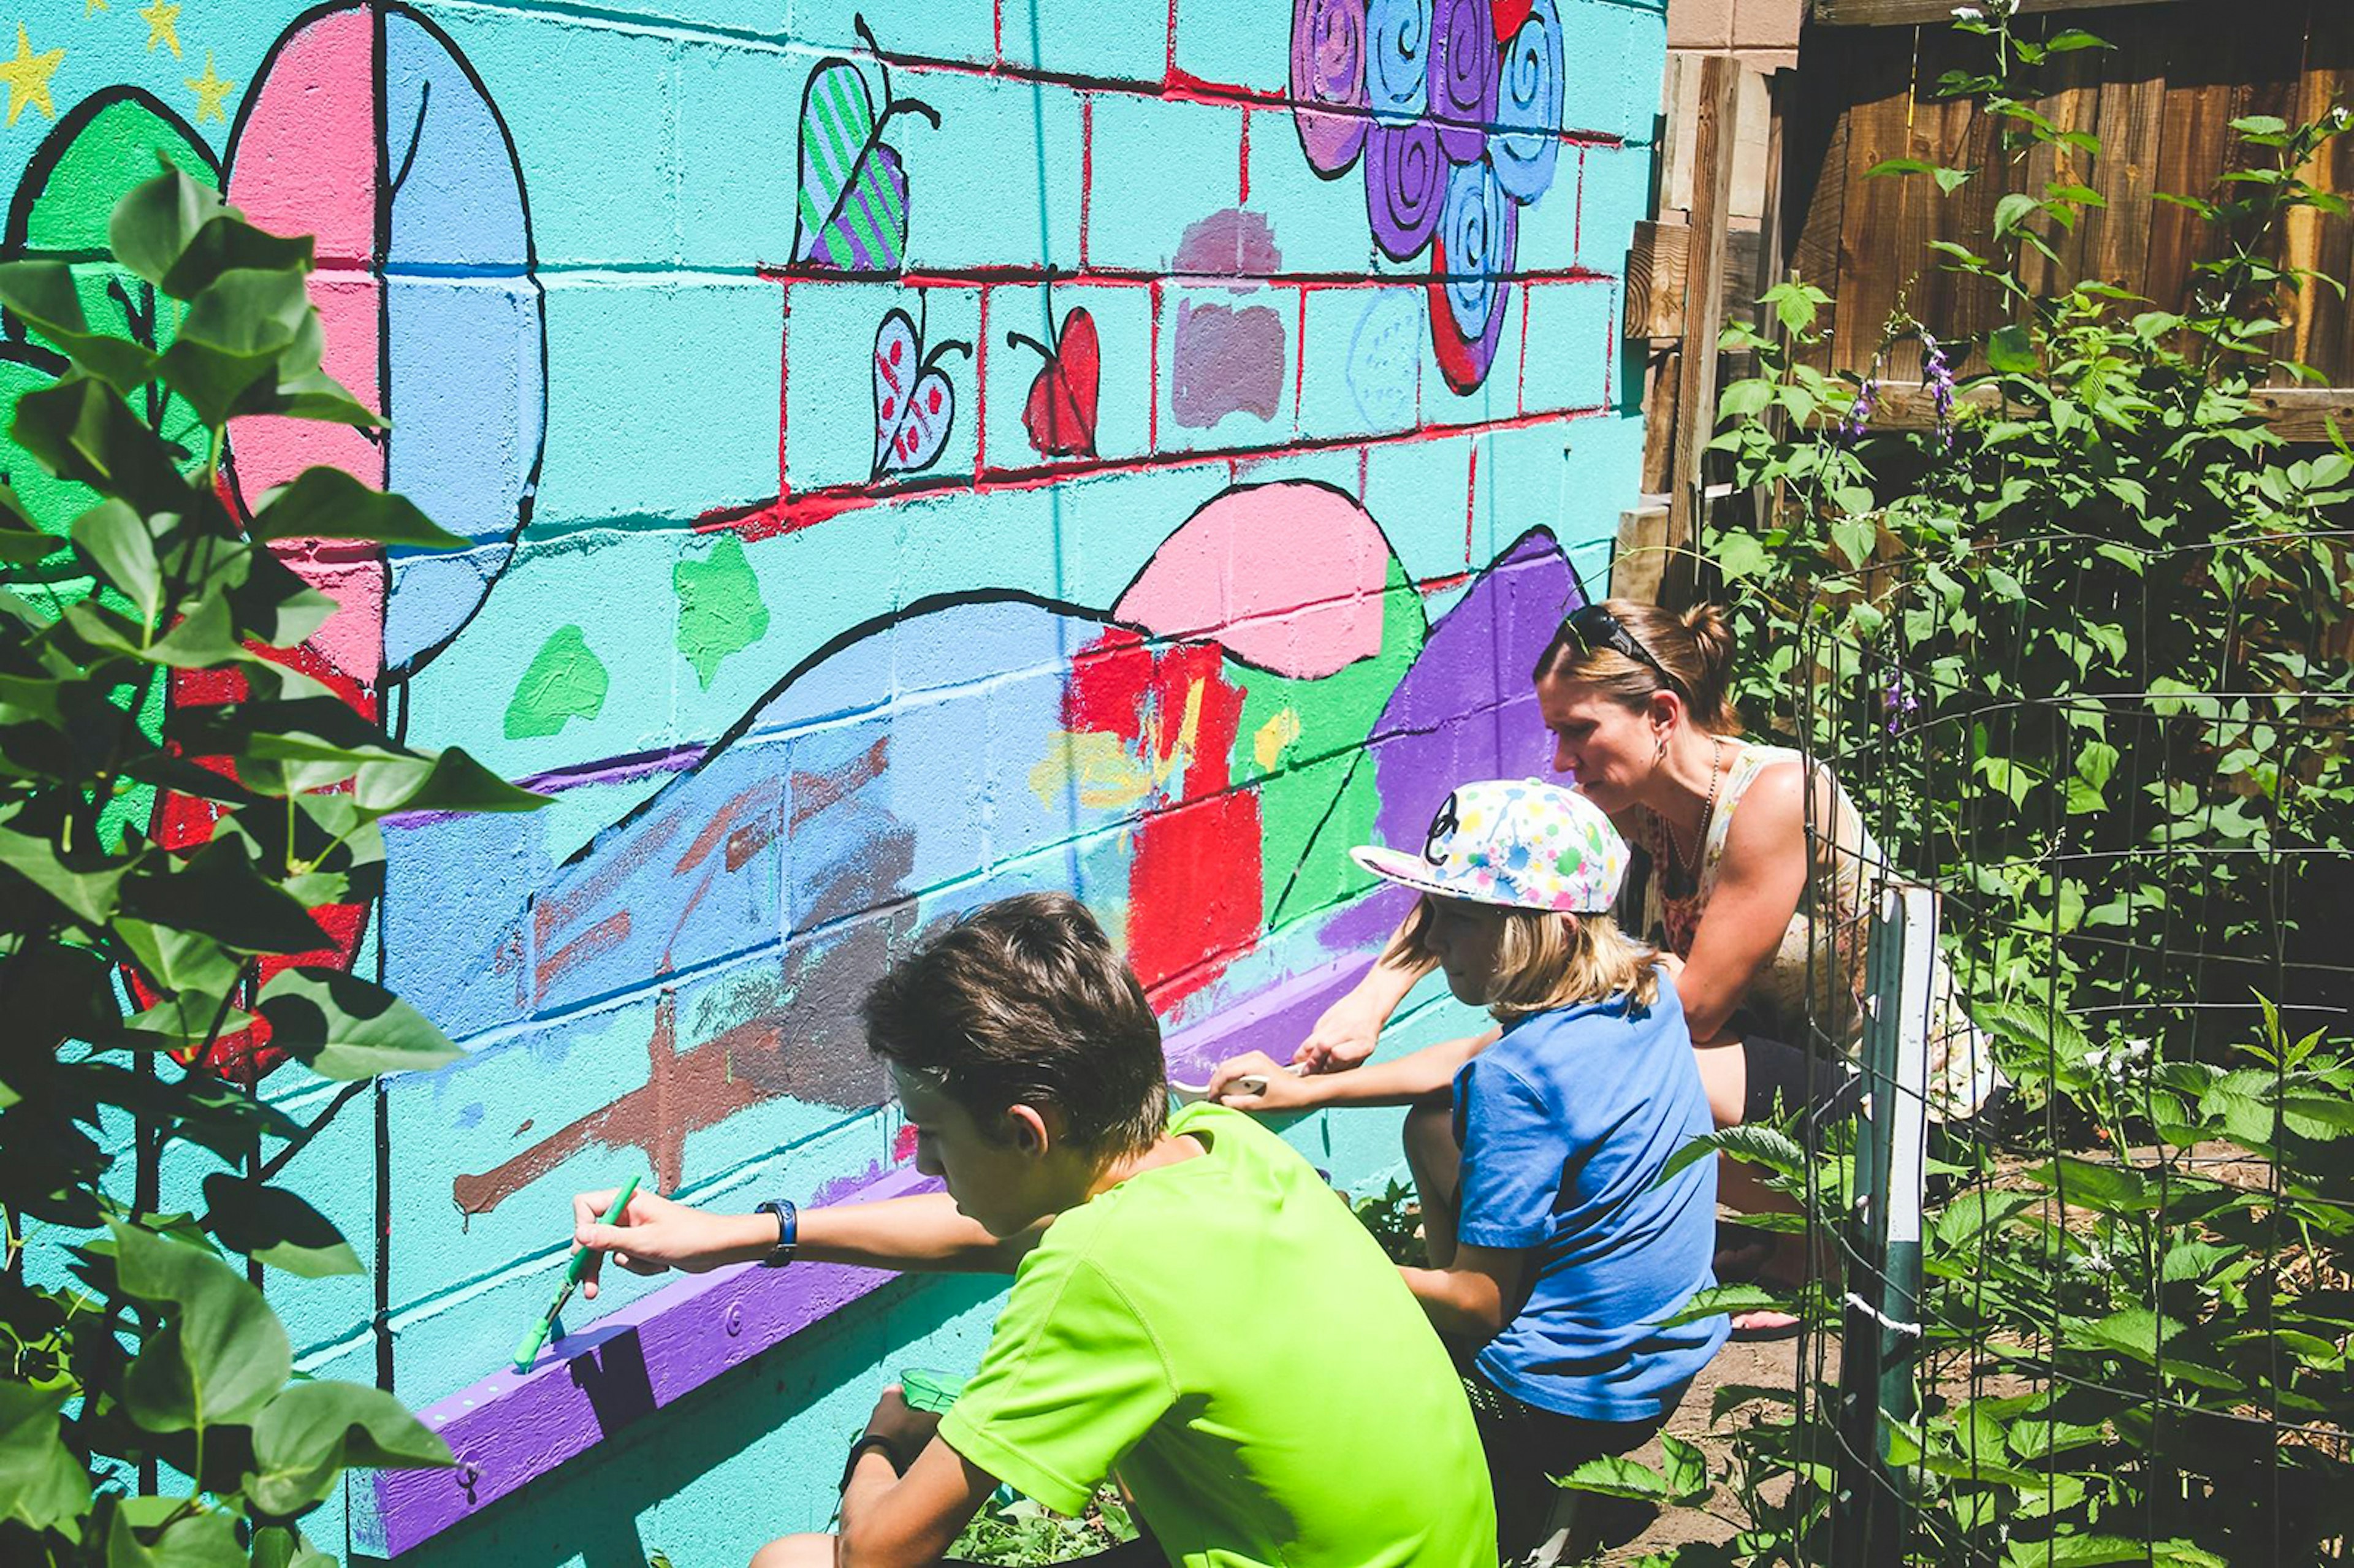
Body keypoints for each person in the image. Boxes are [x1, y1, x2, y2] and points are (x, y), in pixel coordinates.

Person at [566, 892, 1498, 1568]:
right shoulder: (1223, 1150)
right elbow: (997, 1234)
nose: (924, 1162)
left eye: (931, 1133)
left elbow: (877, 1554)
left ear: (1026, 1131)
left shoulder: (1097, 1267)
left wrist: (884, 1441)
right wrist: (743, 1232)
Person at [1290, 600, 2006, 1336]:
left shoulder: (1779, 796)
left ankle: (1817, 1254)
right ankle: (1751, 1241)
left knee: (1633, 1055)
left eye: (1579, 730)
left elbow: (1685, 1017)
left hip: (1916, 1117)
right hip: (1796, 1088)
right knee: (1529, 1085)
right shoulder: (1634, 802)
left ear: (1661, 714)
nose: (1562, 759)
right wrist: (1374, 998)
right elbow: (1488, 874)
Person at [1204, 780, 1726, 1559]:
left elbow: (1479, 1303)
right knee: (1433, 1122)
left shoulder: (1520, 1082)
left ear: (1533, 932)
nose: (1433, 940)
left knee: (1289, 1399)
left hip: (1556, 1399)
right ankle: (1528, 1482)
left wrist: (1309, 1251)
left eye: (1457, 918)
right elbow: (1472, 1060)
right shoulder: (1647, 984)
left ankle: (1499, 1492)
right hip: (1662, 1359)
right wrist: (1304, 1089)